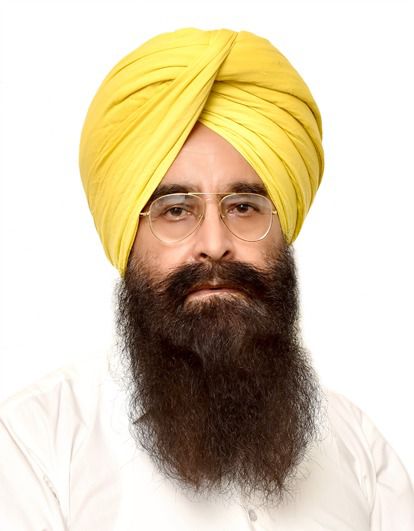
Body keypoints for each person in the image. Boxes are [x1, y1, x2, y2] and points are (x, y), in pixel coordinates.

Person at [0, 28, 413, 530]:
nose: (215, 243)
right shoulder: (35, 448)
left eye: (244, 207)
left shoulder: (358, 449)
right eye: (176, 210)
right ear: (127, 238)